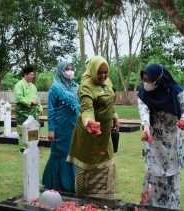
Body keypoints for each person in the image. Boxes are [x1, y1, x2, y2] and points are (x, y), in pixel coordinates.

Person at [137, 64, 184, 210]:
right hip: (153, 141)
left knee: (171, 179)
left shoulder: (176, 91)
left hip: (172, 142)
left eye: (149, 80)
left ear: (158, 79)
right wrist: (146, 128)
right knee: (154, 176)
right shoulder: (144, 93)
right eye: (144, 79)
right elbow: (144, 111)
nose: (146, 83)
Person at [67, 56, 119, 199]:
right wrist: (89, 122)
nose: (103, 75)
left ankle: (105, 200)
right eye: (100, 72)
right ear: (93, 70)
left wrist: (114, 115)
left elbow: (110, 100)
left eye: (105, 72)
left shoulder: (107, 82)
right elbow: (87, 108)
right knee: (86, 168)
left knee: (107, 164)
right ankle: (84, 201)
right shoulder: (86, 86)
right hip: (89, 134)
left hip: (105, 134)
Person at [42, 62, 80, 192]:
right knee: (60, 154)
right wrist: (51, 130)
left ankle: (71, 182)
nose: (70, 71)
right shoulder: (55, 88)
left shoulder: (75, 87)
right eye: (66, 69)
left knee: (73, 153)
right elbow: (51, 110)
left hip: (74, 126)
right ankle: (54, 182)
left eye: (71, 68)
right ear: (60, 71)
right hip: (60, 127)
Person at [13, 65, 43, 136]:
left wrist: (40, 107)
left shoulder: (33, 86)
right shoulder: (19, 85)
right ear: (26, 74)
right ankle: (23, 146)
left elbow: (37, 98)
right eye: (31, 75)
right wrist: (30, 102)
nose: (33, 76)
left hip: (33, 112)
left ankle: (32, 146)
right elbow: (19, 97)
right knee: (22, 128)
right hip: (22, 111)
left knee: (33, 129)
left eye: (33, 75)